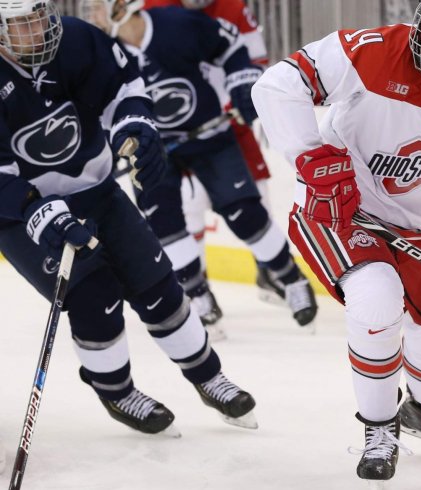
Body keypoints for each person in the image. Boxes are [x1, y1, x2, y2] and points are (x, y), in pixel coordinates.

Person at [253, 0, 421, 483]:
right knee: (377, 301)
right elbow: (278, 83)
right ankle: (380, 428)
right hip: (339, 210)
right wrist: (309, 156)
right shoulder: (370, 51)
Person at [0, 0, 256, 435]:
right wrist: (34, 209)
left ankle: (208, 376)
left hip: (97, 191)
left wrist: (134, 127)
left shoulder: (77, 39)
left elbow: (123, 89)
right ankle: (117, 391)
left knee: (158, 284)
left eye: (41, 16)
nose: (40, 30)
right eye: (24, 25)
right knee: (92, 298)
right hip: (21, 213)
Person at [79, 0, 317, 335]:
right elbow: (97, 103)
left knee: (244, 213)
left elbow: (231, 43)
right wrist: (114, 140)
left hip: (210, 135)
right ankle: (198, 293)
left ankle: (290, 278)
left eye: (97, 9)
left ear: (121, 8)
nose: (91, 16)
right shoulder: (102, 50)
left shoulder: (175, 24)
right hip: (152, 148)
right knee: (165, 224)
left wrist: (240, 84)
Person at [141, 0, 287, 305]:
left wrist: (244, 90)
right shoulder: (153, 7)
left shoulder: (233, 8)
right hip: (177, 128)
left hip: (228, 118)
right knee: (188, 203)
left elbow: (254, 61)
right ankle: (194, 286)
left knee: (255, 194)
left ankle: (268, 271)